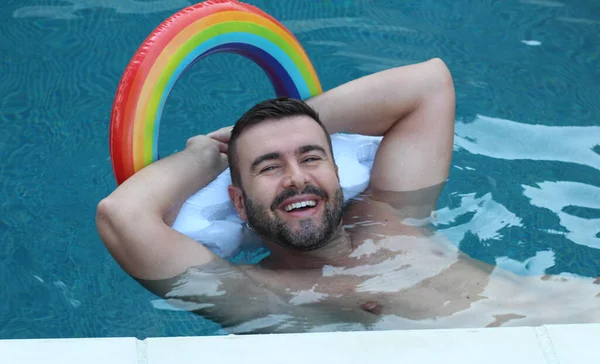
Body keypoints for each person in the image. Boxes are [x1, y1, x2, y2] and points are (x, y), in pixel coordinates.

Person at [97, 59, 600, 333]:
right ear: (238, 203)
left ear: (337, 174)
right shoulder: (268, 293)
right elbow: (121, 215)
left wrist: (271, 126)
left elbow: (429, 83)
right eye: (269, 168)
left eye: (312, 158)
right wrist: (205, 156)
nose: (297, 178)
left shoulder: (391, 212)